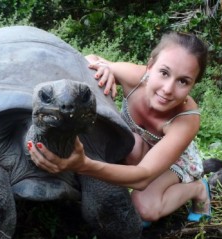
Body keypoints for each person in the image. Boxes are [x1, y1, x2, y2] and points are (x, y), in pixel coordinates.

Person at [27, 31, 211, 225]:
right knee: (130, 144)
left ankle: (198, 188)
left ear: (193, 86)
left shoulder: (186, 120)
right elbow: (89, 60)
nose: (167, 89)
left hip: (175, 162)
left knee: (145, 208)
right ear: (150, 67)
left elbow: (144, 176)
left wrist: (83, 165)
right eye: (164, 73)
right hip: (138, 146)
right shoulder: (135, 79)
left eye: (183, 81)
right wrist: (103, 69)